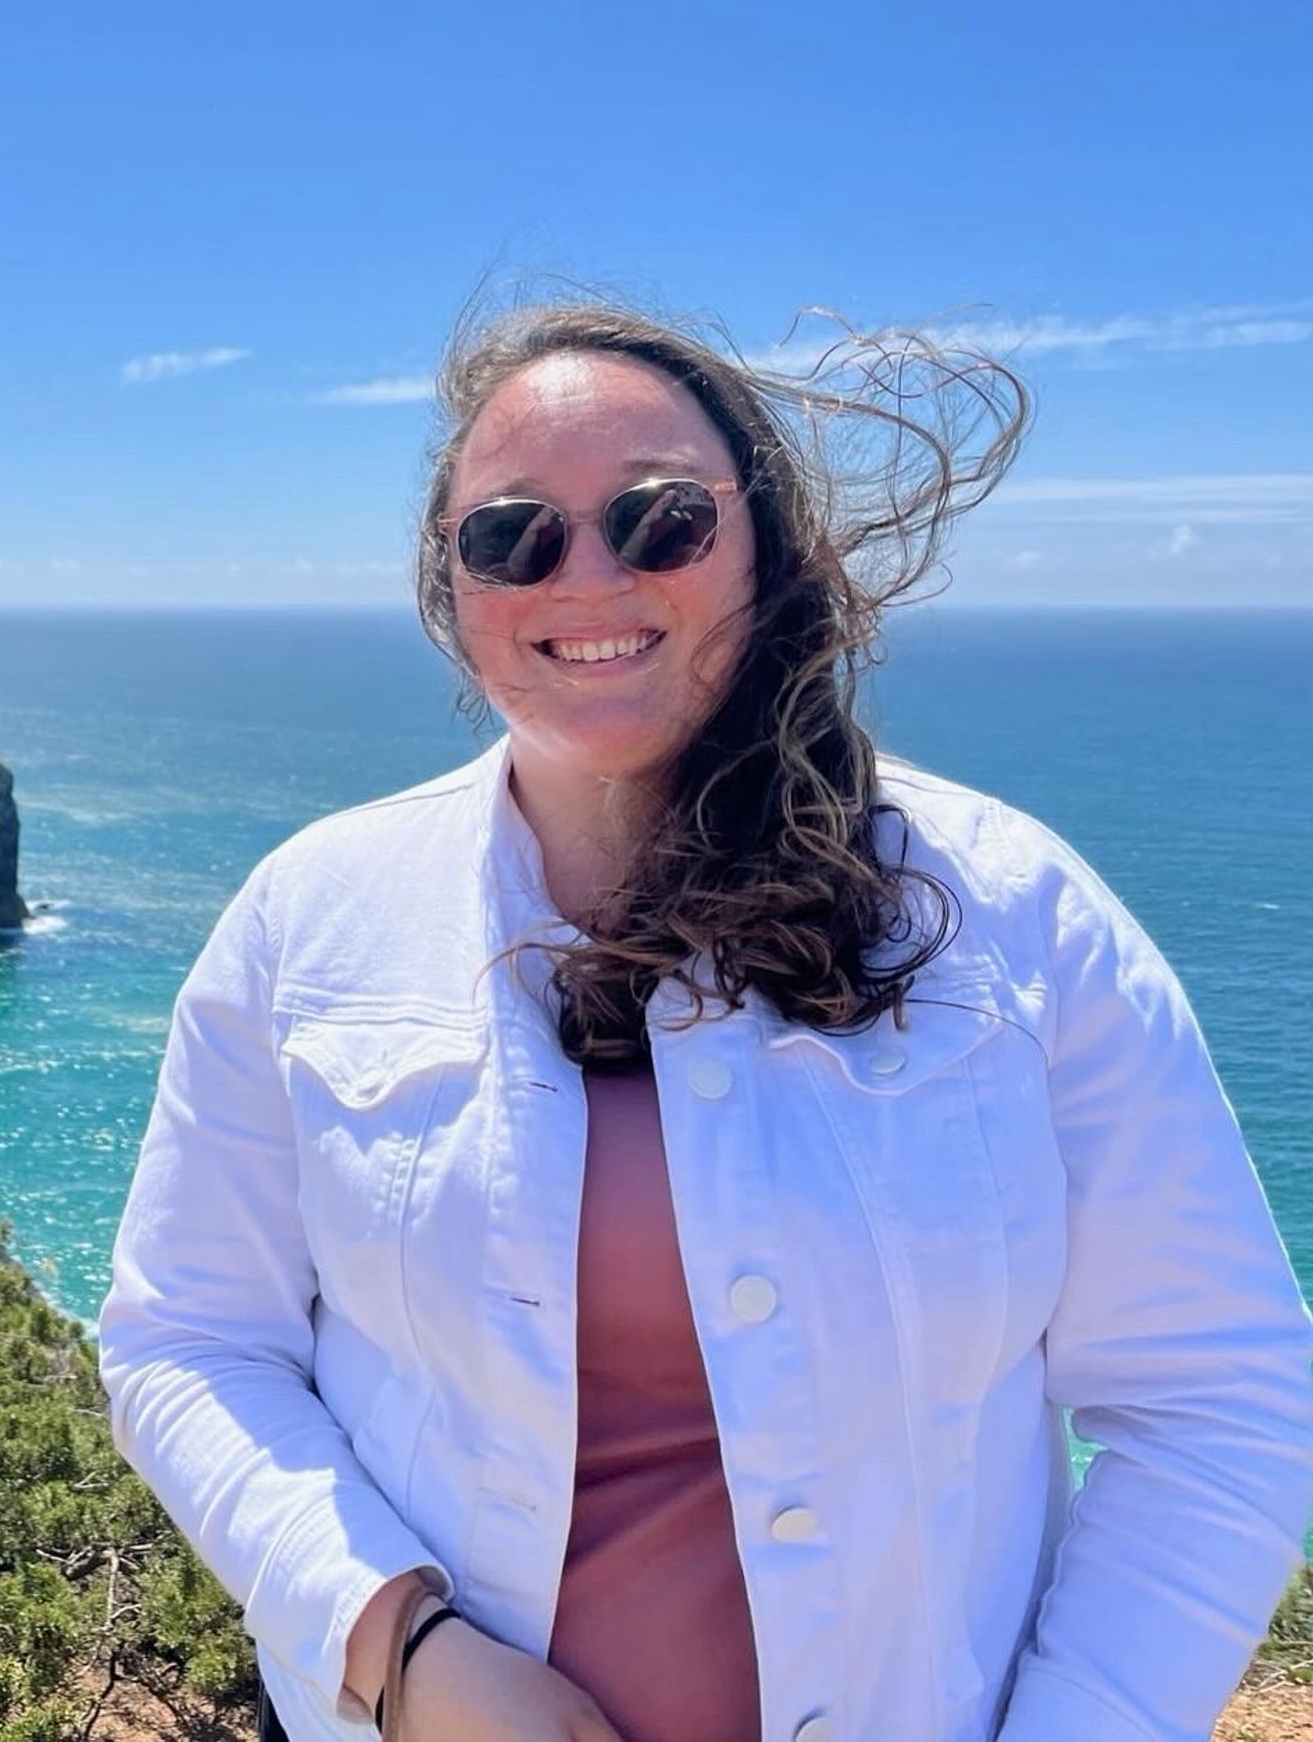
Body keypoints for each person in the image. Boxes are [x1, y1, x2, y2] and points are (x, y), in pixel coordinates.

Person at [96, 298, 1313, 1742]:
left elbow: (1220, 1398)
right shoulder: (310, 922)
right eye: (515, 535)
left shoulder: (1019, 917)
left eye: (660, 517)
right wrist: (404, 1649)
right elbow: (189, 1341)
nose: (590, 573)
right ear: (451, 582)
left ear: (763, 544)